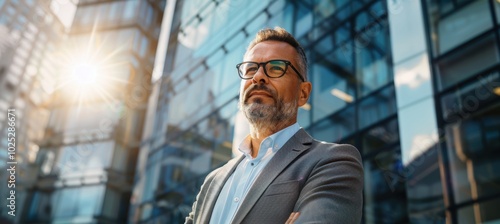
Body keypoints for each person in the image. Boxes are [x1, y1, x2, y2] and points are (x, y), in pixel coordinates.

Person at [185, 27, 363, 224]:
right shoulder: (212, 181)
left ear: (302, 93)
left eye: (276, 67)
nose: (258, 77)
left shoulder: (333, 161)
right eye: (251, 68)